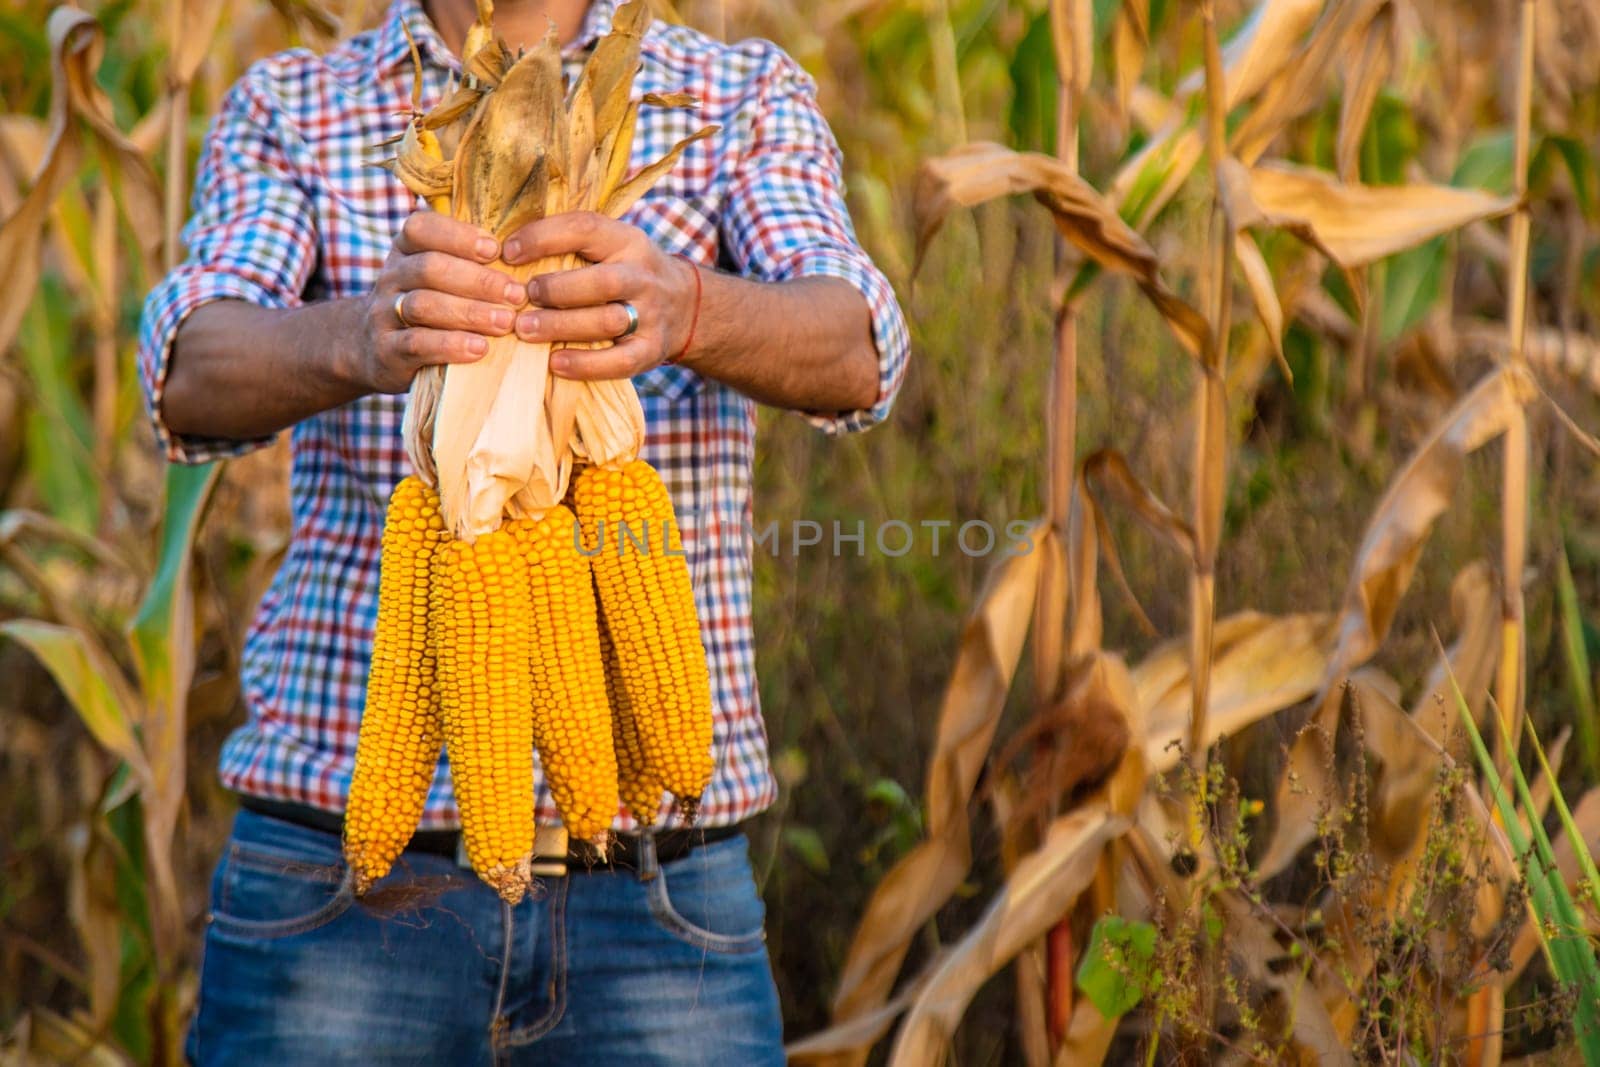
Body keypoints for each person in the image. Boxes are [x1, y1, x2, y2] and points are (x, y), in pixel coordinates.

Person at [136, 0, 909, 1062]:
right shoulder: (296, 104)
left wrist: (685, 308)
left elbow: (859, 349)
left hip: (656, 882)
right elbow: (186, 373)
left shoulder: (736, 95)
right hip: (343, 881)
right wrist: (362, 334)